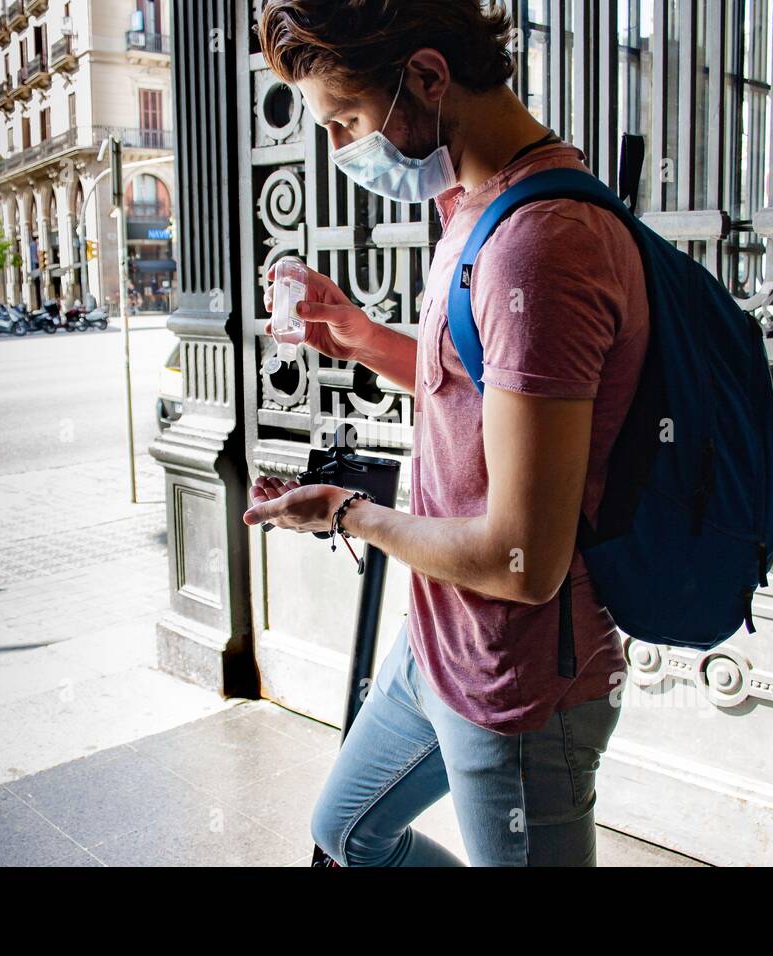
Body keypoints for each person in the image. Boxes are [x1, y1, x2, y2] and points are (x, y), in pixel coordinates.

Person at [242, 0, 651, 867]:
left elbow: (522, 562)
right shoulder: (476, 203)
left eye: (345, 121)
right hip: (439, 639)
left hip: (520, 687)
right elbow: (479, 387)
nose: (341, 147)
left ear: (427, 76)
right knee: (348, 830)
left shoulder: (539, 247)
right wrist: (361, 335)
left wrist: (349, 514)